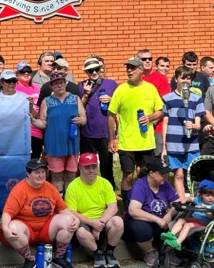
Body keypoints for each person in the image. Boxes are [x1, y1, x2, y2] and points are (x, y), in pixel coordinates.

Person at [0, 159, 78, 268]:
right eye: (37, 172)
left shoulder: (50, 188)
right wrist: (5, 228)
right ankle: (29, 259)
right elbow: (7, 212)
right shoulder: (20, 189)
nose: (41, 175)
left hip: (46, 229)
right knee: (12, 227)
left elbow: (63, 209)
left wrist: (75, 219)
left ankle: (58, 257)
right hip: (26, 229)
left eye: (43, 172)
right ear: (28, 173)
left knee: (68, 220)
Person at [108, 57, 164, 202]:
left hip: (146, 142)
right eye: (128, 68)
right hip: (127, 142)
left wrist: (150, 117)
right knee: (127, 175)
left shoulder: (150, 89)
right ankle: (127, 207)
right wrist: (111, 139)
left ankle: (144, 202)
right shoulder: (121, 90)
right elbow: (111, 115)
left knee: (145, 174)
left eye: (132, 68)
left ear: (141, 70)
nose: (129, 70)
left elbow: (160, 110)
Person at [65, 153, 123, 268]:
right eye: (87, 167)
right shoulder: (72, 186)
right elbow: (71, 212)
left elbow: (113, 207)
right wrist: (92, 223)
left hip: (102, 219)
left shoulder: (105, 183)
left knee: (118, 222)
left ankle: (110, 252)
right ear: (80, 168)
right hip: (84, 220)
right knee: (81, 233)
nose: (91, 170)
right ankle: (98, 253)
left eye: (94, 166)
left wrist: (99, 224)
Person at [32, 73, 86, 192]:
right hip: (54, 144)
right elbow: (43, 123)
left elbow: (84, 117)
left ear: (65, 83)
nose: (59, 85)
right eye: (55, 83)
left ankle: (70, 203)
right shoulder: (47, 101)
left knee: (71, 174)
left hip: (72, 142)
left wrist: (81, 120)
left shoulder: (75, 98)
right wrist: (33, 121)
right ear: (51, 86)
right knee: (56, 175)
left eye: (61, 82)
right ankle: (59, 204)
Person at [124, 158, 182, 267]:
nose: (165, 175)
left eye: (166, 173)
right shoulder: (140, 186)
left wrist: (169, 215)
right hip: (138, 222)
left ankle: (167, 251)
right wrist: (157, 219)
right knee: (142, 228)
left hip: (159, 222)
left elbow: (177, 203)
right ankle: (149, 252)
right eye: (162, 173)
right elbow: (133, 211)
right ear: (151, 173)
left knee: (181, 219)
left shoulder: (164, 184)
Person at [161, 66, 205, 196]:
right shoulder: (167, 98)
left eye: (188, 78)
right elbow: (165, 123)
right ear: (176, 79)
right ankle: (181, 201)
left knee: (193, 175)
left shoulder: (196, 99)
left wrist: (193, 126)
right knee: (178, 174)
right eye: (183, 77)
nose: (186, 80)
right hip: (173, 144)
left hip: (191, 144)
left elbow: (198, 126)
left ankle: (196, 200)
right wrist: (164, 147)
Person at [77, 56, 117, 186]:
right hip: (87, 133)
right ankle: (87, 188)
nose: (94, 73)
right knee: (88, 164)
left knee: (107, 164)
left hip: (106, 132)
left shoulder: (111, 84)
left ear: (101, 69)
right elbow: (78, 108)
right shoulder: (80, 86)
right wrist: (86, 94)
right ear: (86, 72)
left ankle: (109, 189)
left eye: (96, 69)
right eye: (90, 71)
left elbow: (120, 107)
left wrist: (111, 100)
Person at [161, 180, 214, 250]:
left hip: (204, 223)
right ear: (201, 195)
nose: (210, 198)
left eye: (213, 195)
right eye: (207, 195)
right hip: (193, 220)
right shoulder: (199, 200)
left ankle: (178, 242)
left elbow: (213, 217)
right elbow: (190, 198)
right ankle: (171, 235)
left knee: (187, 225)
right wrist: (184, 200)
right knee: (181, 220)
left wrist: (205, 211)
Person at [14, 62, 43, 159]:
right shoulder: (14, 88)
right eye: (23, 71)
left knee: (34, 161)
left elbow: (39, 111)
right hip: (20, 131)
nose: (26, 74)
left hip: (36, 130)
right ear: (17, 74)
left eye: (28, 71)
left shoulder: (36, 88)